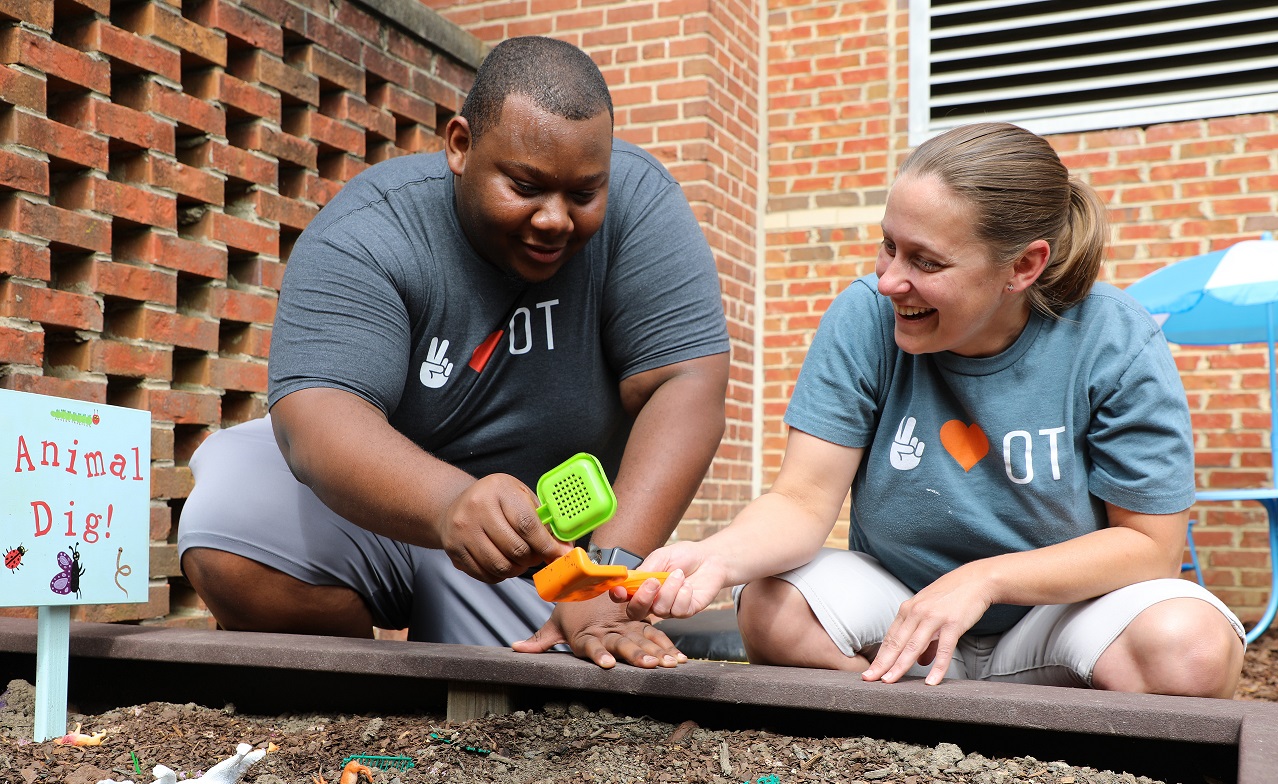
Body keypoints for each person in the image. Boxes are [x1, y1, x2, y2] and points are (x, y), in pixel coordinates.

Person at [623, 122, 1246, 696]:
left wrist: (984, 579)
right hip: (903, 614)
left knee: (1189, 651)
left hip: (1055, 618)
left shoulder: (1113, 337)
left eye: (926, 261)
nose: (891, 280)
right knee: (771, 609)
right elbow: (802, 500)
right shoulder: (865, 315)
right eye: (888, 247)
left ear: (1024, 266)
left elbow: (1150, 546)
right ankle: (929, 716)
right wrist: (714, 556)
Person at [176, 36, 730, 670]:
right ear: (460, 146)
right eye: (525, 186)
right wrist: (449, 506)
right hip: (389, 510)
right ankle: (361, 693)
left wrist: (601, 578)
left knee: (549, 707)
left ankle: (484, 631)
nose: (555, 218)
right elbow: (316, 419)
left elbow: (686, 383)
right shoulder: (371, 230)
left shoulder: (643, 206)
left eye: (583, 195)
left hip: (546, 553)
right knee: (229, 521)